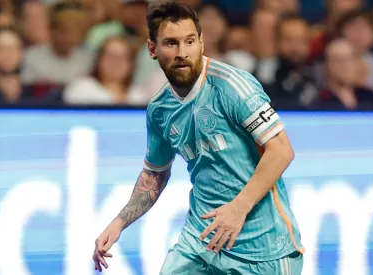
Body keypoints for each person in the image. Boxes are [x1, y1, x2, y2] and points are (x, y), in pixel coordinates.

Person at [93, 1, 304, 274]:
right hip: (201, 242)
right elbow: (155, 175)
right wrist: (118, 223)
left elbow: (281, 150)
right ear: (152, 49)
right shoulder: (159, 110)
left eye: (189, 41)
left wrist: (237, 209)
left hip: (263, 250)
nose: (182, 53)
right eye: (171, 43)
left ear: (201, 43)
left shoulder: (232, 86)